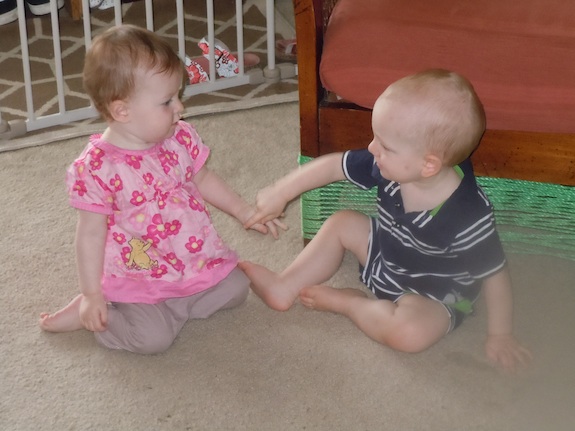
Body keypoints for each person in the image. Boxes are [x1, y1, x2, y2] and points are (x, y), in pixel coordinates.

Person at [241, 69, 531, 372]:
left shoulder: (468, 215)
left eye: (385, 145)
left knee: (409, 334)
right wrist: (281, 191)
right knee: (342, 222)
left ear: (428, 165)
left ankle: (351, 304)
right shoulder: (389, 164)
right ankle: (284, 285)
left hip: (433, 293)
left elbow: (495, 275)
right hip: (386, 253)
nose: (371, 148)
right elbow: (334, 166)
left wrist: (500, 334)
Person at [39, 24, 285, 354]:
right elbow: (90, 235)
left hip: (188, 258)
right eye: (167, 101)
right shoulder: (98, 168)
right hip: (138, 273)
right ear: (122, 110)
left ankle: (175, 305)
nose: (180, 108)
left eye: (177, 96)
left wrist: (244, 211)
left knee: (236, 289)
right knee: (152, 340)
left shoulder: (178, 138)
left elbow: (203, 179)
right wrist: (91, 293)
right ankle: (99, 309)